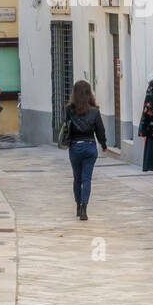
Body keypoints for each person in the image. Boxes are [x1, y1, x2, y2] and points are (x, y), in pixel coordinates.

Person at [64, 79, 108, 221]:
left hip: (75, 147)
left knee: (77, 178)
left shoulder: (69, 110)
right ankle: (84, 208)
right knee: (87, 179)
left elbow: (66, 127)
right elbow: (100, 130)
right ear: (89, 93)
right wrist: (104, 144)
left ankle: (78, 205)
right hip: (90, 147)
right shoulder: (95, 111)